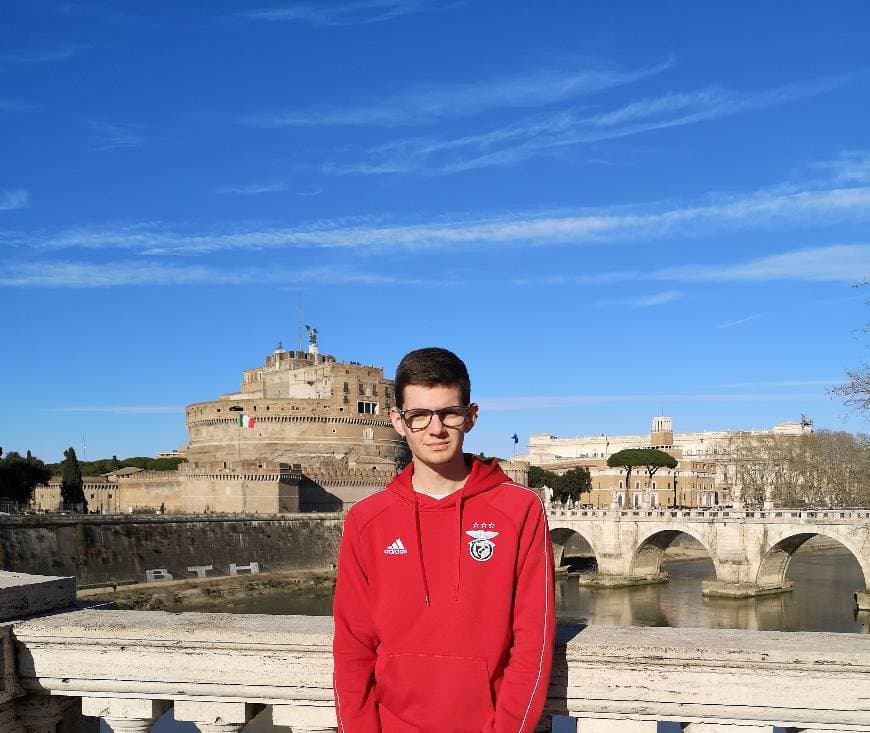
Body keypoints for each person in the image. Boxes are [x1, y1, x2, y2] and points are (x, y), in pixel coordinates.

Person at [333, 347, 555, 733]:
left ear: (470, 417)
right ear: (398, 422)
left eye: (449, 413)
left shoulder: (520, 509)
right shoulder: (366, 520)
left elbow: (533, 642)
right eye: (418, 416)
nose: (435, 429)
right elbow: (352, 648)